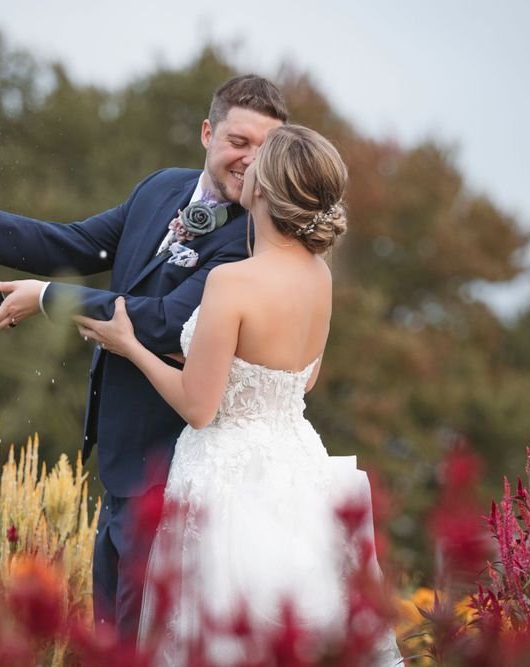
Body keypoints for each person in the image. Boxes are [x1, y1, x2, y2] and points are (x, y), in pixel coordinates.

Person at [0, 75, 288, 639]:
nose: (251, 160)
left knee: (139, 638)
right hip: (119, 457)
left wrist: (48, 297)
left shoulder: (253, 241)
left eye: (266, 148)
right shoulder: (161, 188)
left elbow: (167, 321)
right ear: (207, 133)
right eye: (240, 141)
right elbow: (79, 245)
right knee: (111, 633)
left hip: (174, 465)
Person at [75, 125, 403, 664]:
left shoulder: (234, 281)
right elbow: (302, 378)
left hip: (226, 478)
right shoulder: (319, 276)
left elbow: (199, 408)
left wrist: (129, 345)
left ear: (265, 189)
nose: (246, 166)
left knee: (220, 631)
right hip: (298, 469)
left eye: (259, 161)